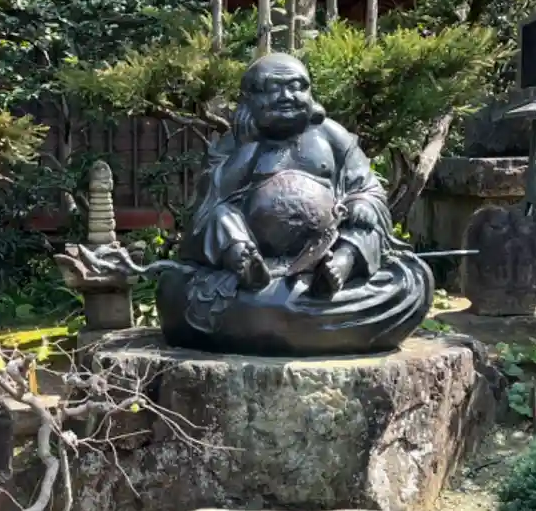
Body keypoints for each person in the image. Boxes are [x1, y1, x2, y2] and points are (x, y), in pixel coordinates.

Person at [156, 52, 433, 356]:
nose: (286, 96)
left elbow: (368, 187)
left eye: (297, 86)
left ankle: (342, 264)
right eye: (272, 88)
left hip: (325, 250)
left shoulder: (332, 136)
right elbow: (209, 204)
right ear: (248, 99)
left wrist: (362, 202)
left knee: (404, 270)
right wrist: (247, 147)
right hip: (261, 263)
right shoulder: (234, 144)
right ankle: (246, 263)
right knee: (217, 221)